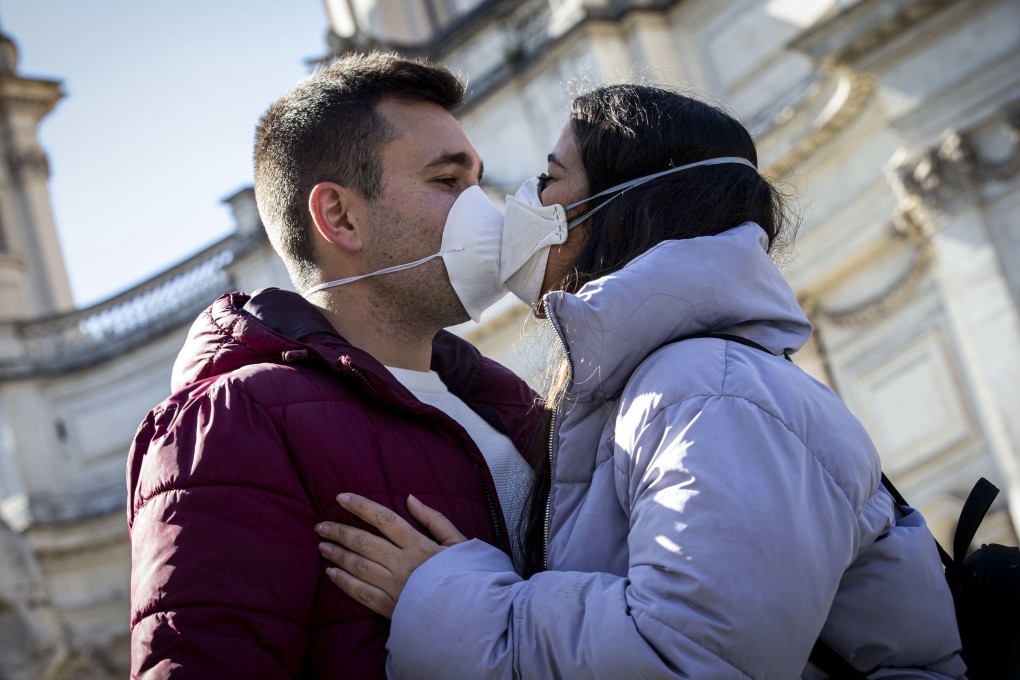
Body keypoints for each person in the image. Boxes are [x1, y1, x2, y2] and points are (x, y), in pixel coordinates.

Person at [314, 84, 967, 678]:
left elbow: (685, 659)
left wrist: (445, 595)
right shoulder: (674, 385)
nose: (518, 206)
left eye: (548, 180)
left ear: (612, 209)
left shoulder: (712, 392)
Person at [125, 52, 541, 679]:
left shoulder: (510, 404)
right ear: (340, 217)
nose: (485, 210)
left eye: (478, 181)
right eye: (448, 182)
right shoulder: (232, 423)